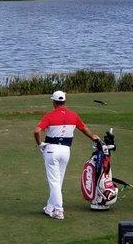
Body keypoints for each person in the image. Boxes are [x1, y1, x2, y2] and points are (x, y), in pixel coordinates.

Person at [34, 91, 99, 220]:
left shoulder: (50, 116)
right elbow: (84, 127)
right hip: (65, 151)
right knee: (59, 180)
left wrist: (39, 144)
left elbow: (37, 130)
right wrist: (93, 137)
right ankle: (50, 207)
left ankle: (59, 210)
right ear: (64, 101)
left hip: (51, 150)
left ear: (54, 102)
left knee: (54, 181)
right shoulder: (73, 115)